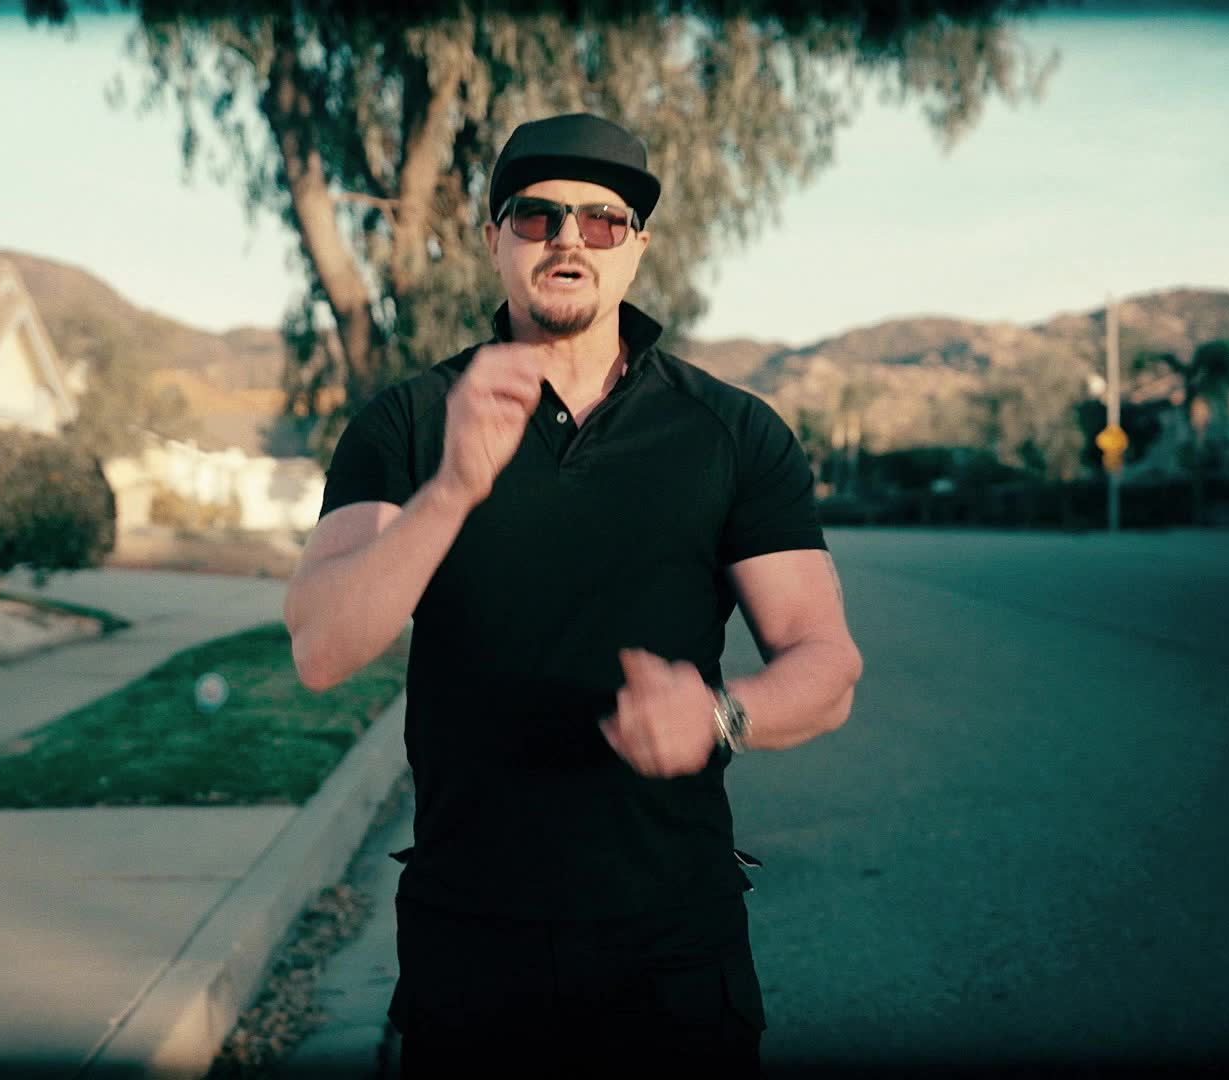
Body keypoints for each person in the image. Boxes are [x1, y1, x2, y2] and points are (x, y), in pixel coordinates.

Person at [283, 113, 862, 1077]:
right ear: (493, 241)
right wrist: (452, 489)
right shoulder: (409, 422)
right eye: (537, 215)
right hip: (471, 942)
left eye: (602, 221)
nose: (568, 239)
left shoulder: (733, 432)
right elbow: (321, 650)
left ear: (637, 247)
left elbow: (826, 662)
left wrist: (720, 717)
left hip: (674, 943)